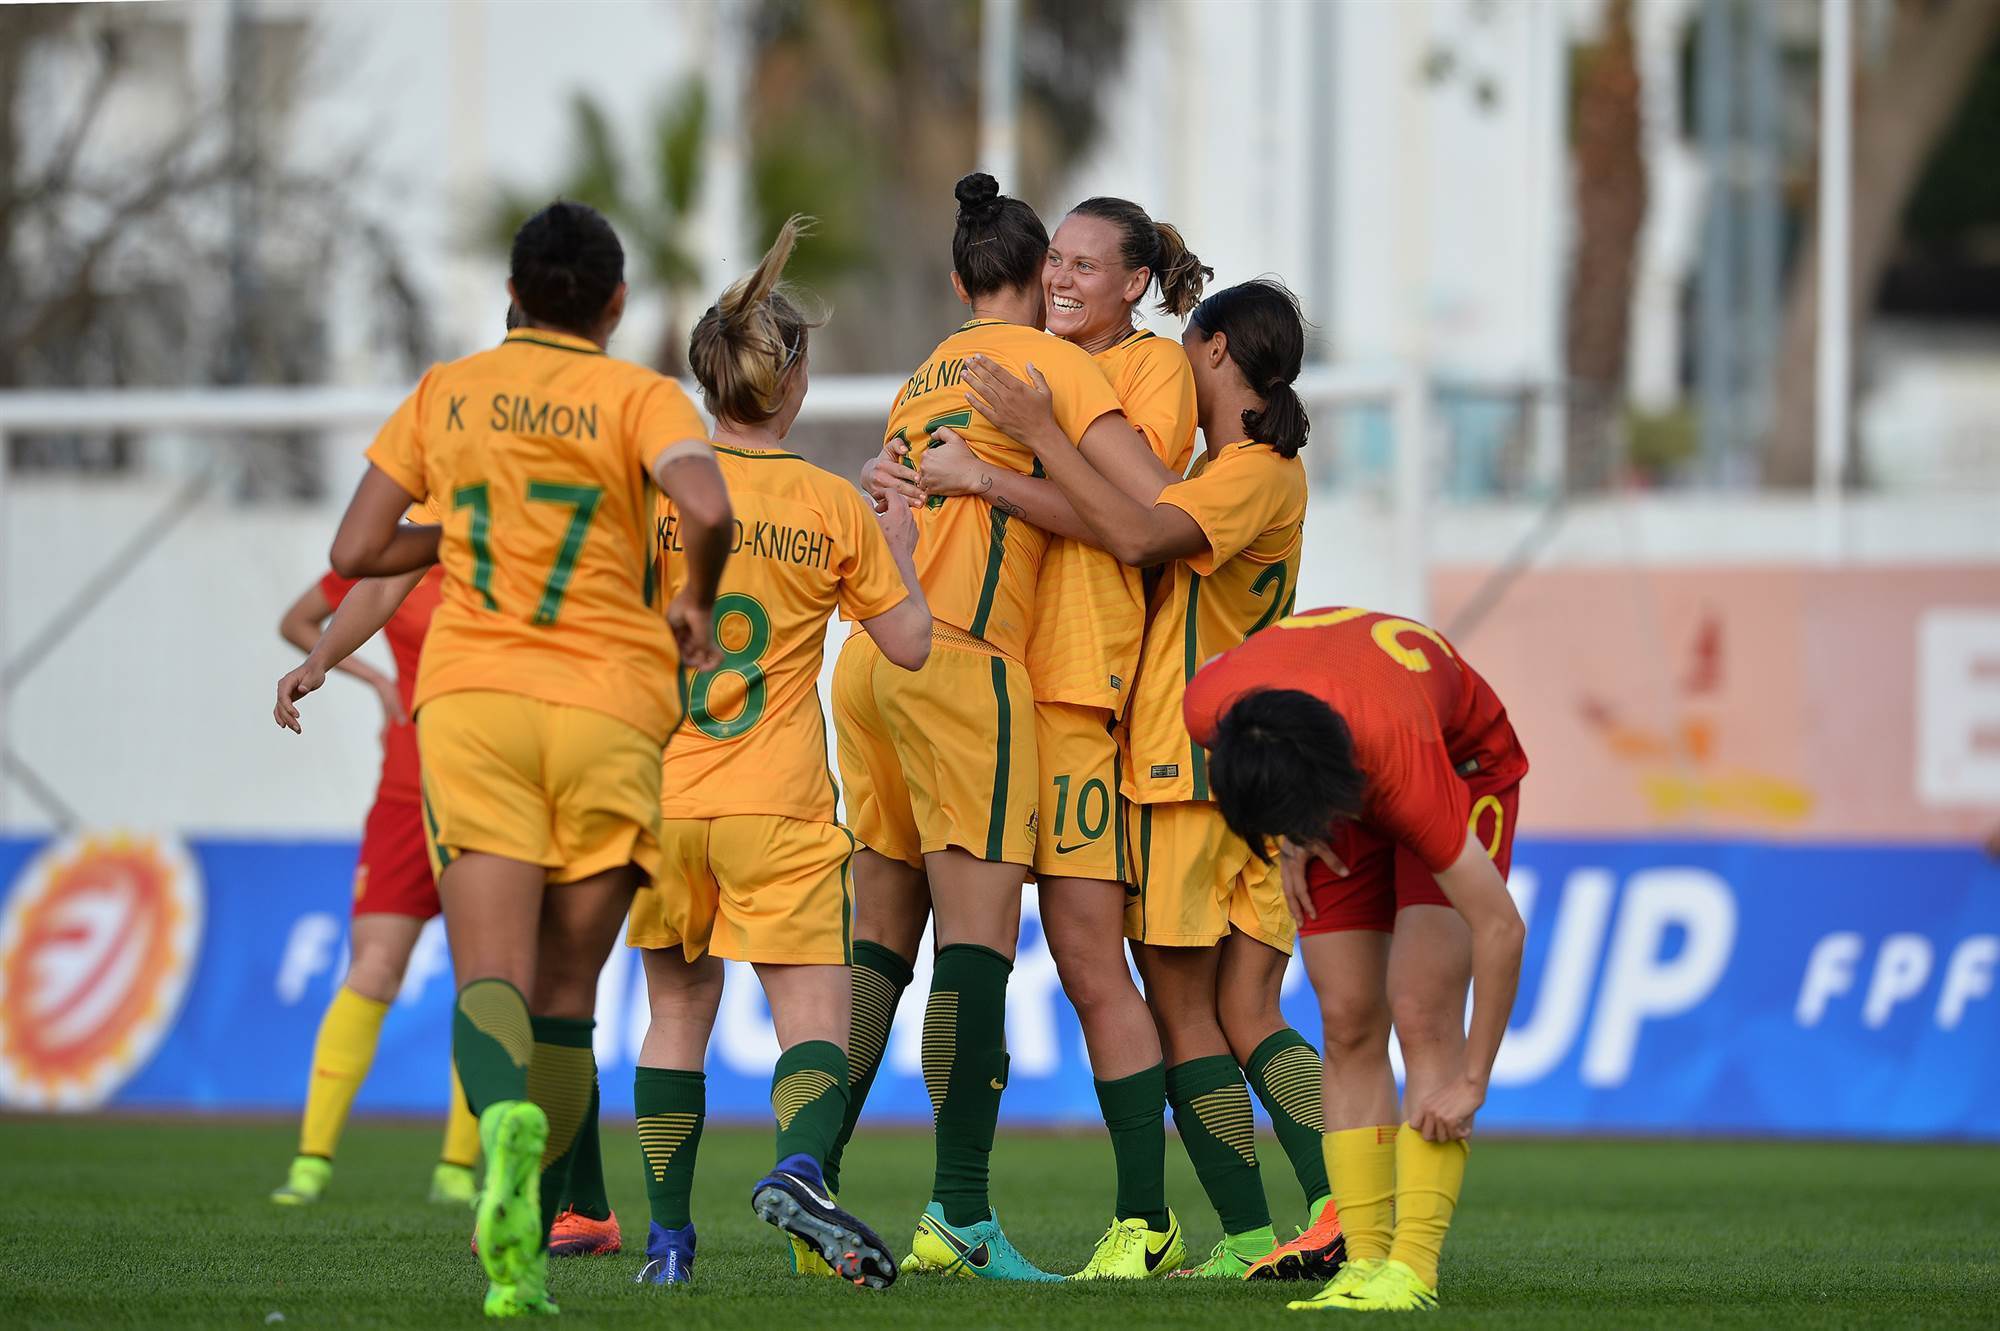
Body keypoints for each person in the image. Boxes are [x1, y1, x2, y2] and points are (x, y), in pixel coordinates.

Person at [281, 199, 732, 1318]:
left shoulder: (447, 391)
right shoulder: (642, 397)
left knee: (491, 975)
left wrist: (462, 530)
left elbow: (354, 549)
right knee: (568, 996)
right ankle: (537, 1195)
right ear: (615, 303)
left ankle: (505, 1167)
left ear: (514, 293)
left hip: (474, 704)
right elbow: (708, 507)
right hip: (609, 707)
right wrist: (695, 600)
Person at [955, 278, 1333, 1279]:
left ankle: (1282, 1219)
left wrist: (1036, 432)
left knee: (1185, 1009)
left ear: (1214, 352)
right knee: (1246, 1008)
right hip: (1234, 765)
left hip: (1189, 766)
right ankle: (1313, 1216)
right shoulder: (1233, 472)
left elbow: (1132, 533)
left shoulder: (1250, 474)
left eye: (1183, 351)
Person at [874, 196, 1220, 1279]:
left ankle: (1145, 1220)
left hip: (1079, 690)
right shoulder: (1017, 366)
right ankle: (883, 1199)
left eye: (1084, 265)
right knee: (912, 942)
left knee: (1085, 956)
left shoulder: (1148, 371)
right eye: (1053, 260)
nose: (1061, 279)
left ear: (1134, 282)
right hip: (989, 681)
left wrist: (1010, 461)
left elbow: (1143, 525)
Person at [601, 216, 928, 1289]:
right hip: (775, 802)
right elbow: (909, 644)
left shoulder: (657, 494)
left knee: (673, 1015)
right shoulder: (828, 503)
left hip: (661, 795)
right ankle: (798, 1170)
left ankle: (666, 1245)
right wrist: (900, 546)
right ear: (790, 383)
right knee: (813, 1024)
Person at [1182, 606, 1529, 1314]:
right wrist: (1292, 834)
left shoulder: (1406, 772)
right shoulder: (1207, 706)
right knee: (1345, 1017)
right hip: (1337, 748)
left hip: (1459, 764)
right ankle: (1365, 1260)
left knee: (1423, 1010)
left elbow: (1501, 927)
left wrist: (1473, 1080)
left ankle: (1412, 1270)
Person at [267, 562, 480, 1210]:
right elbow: (299, 620)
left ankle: (458, 1168)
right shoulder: (400, 546)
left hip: (490, 789)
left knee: (486, 980)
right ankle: (311, 1161)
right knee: (375, 968)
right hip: (407, 791)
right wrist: (376, 678)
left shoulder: (509, 535)